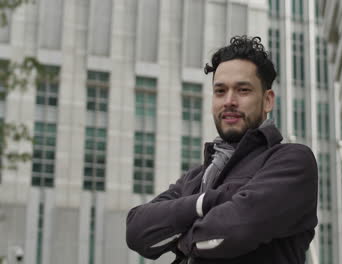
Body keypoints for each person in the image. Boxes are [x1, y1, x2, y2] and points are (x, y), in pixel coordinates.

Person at [126, 35, 318, 264]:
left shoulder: (292, 161)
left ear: (267, 100)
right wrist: (208, 202)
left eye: (243, 90)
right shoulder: (196, 177)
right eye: (220, 91)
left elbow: (231, 232)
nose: (229, 101)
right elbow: (137, 229)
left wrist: (179, 236)